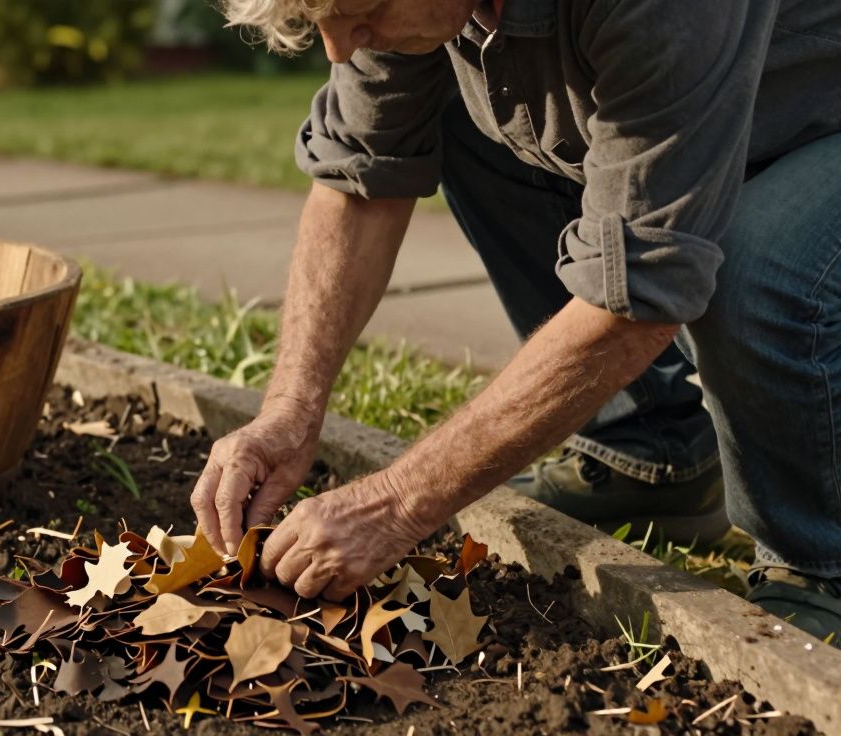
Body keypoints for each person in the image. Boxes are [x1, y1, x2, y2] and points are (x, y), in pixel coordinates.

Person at [190, 0, 841, 642]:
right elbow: (361, 175)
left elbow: (639, 299)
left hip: (823, 121)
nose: (339, 47)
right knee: (466, 112)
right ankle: (650, 450)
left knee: (760, 264)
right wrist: (290, 411)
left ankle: (819, 565)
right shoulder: (394, 15)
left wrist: (397, 503)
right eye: (321, 23)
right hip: (717, 111)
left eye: (365, 8)